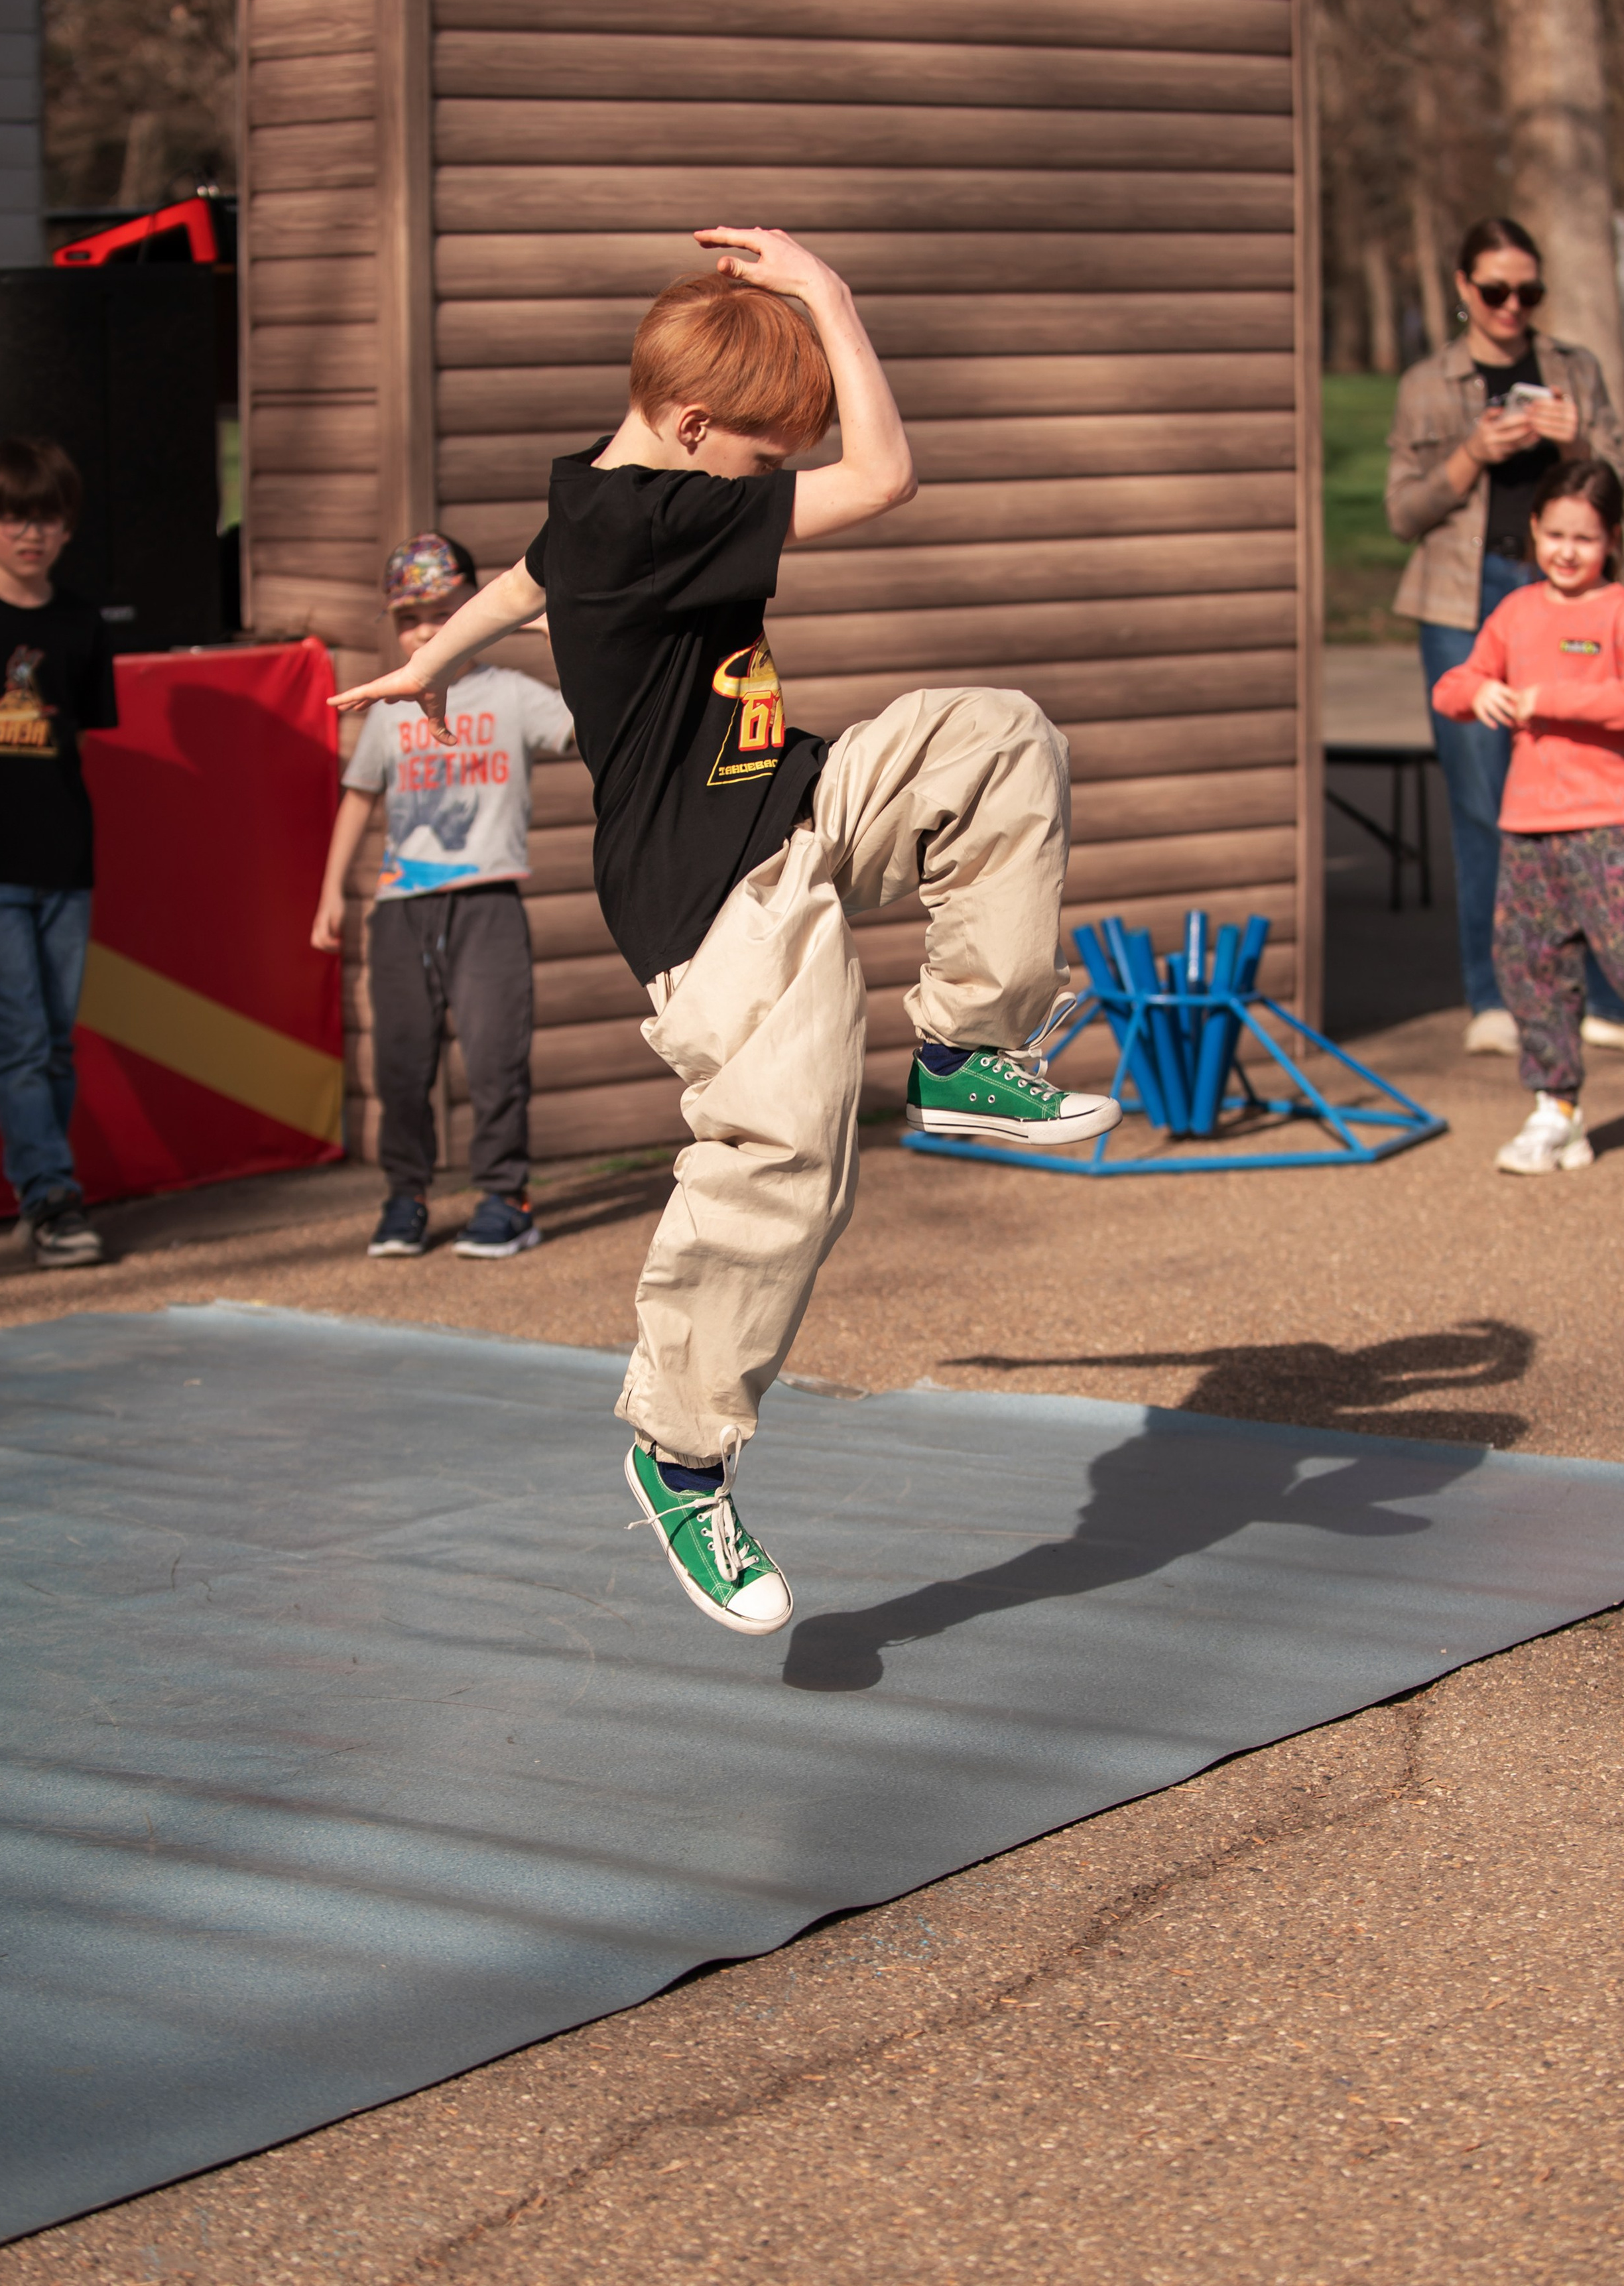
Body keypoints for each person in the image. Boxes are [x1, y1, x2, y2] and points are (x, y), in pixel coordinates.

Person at [328, 228, 1120, 1637]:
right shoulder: (656, 515)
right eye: (762, 459)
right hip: (710, 895)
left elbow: (527, 572)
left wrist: (433, 659)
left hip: (796, 798)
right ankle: (679, 1449)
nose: (769, 484)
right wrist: (832, 295)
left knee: (997, 739)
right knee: (789, 1153)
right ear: (693, 430)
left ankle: (961, 1050)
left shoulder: (601, 487)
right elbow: (884, 478)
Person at [1387, 217, 1624, 1059]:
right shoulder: (1429, 382)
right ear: (1464, 288)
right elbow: (1402, 512)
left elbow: (1620, 487)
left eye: (1527, 291)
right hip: (1463, 599)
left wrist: (1572, 440)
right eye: (1494, 290)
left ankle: (1599, 995)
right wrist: (1472, 451)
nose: (1510, 305)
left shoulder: (1574, 368)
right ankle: (1493, 994)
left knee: (1583, 806)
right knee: (1479, 805)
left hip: (1562, 595)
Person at [311, 531, 575, 1259]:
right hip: (401, 910)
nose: (425, 628)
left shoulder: (514, 695)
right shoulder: (395, 705)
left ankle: (503, 1199)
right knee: (401, 1063)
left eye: (442, 609)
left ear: (476, 606)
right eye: (408, 617)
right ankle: (406, 1199)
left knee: (495, 1058)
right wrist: (331, 891)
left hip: (488, 903)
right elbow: (360, 796)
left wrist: (561, 632)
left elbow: (589, 727)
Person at [1430, 460, 1624, 1175]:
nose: (1568, 550)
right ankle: (1557, 1108)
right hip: (1529, 823)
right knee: (1528, 962)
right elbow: (1455, 682)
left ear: (1613, 539)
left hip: (1609, 821)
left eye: (1587, 537)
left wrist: (1551, 698)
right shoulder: (1515, 612)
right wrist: (1477, 693)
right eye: (1556, 533)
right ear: (1534, 529)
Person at [0, 436, 115, 1267]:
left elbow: (85, 734)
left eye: (48, 519)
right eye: (13, 516)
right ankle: (51, 1196)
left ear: (66, 529)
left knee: (55, 1040)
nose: (31, 533)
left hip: (66, 863)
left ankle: (45, 1195)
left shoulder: (80, 620)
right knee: (22, 1039)